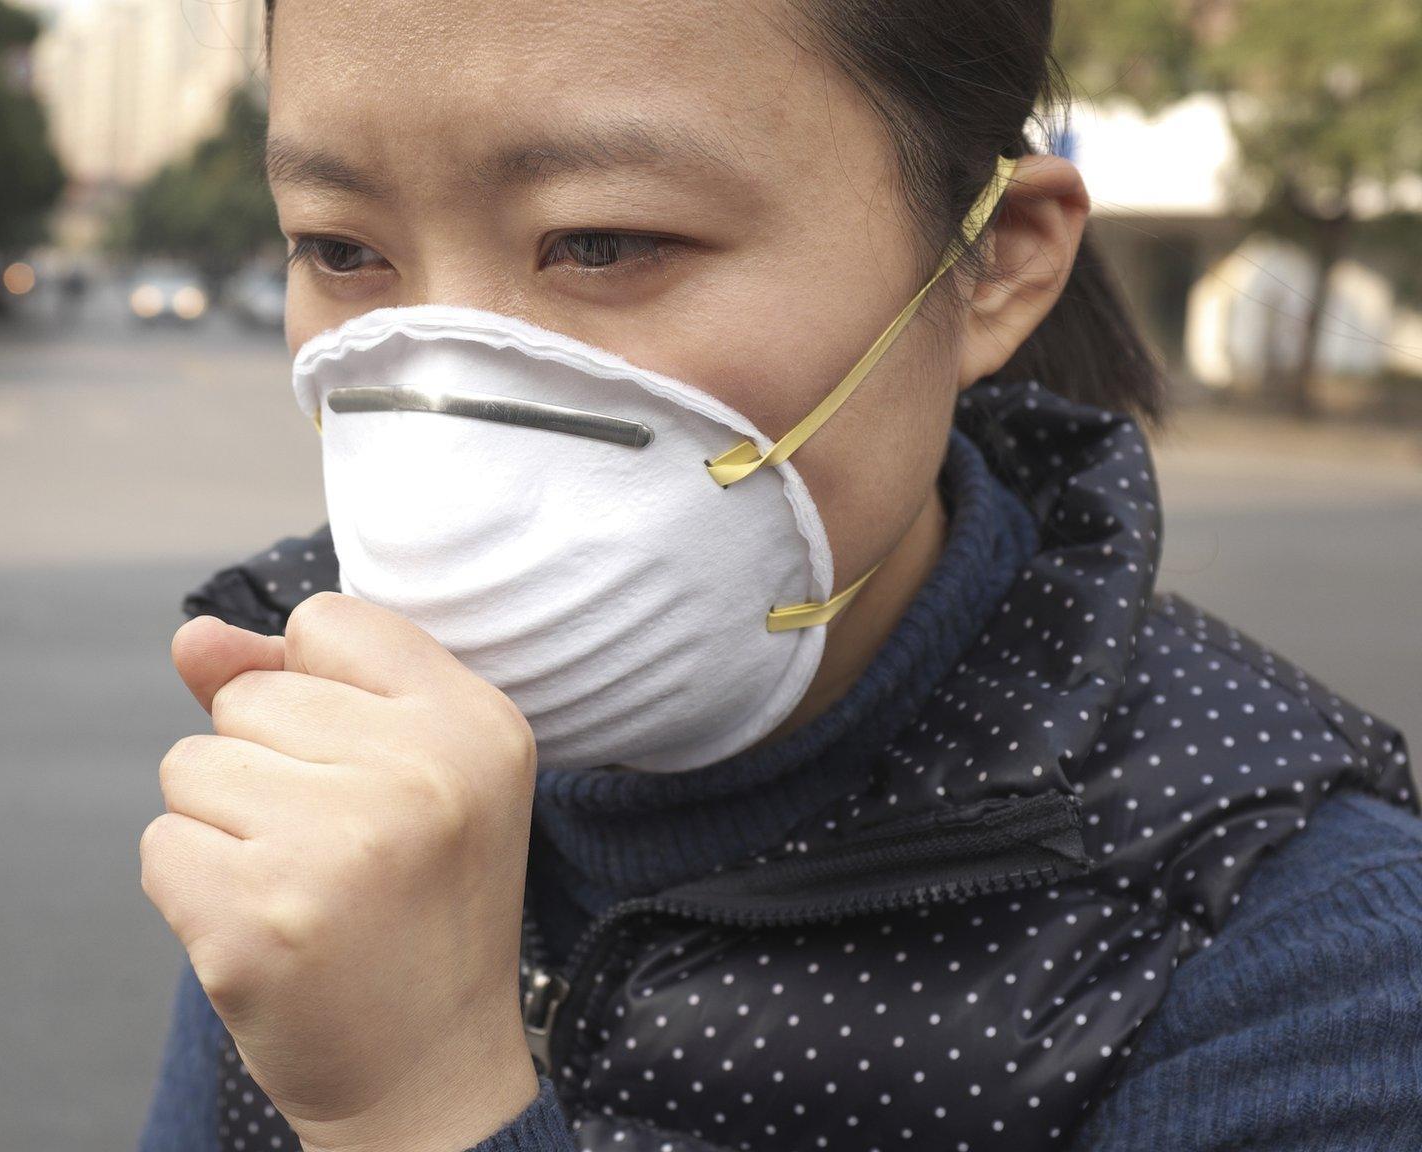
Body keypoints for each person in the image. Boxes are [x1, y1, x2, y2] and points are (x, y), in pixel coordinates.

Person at [136, 2, 1422, 1150]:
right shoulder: (321, 782)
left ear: (998, 259)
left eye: (600, 240)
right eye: (338, 248)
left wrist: (407, 1106)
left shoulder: (1307, 964)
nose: (445, 379)